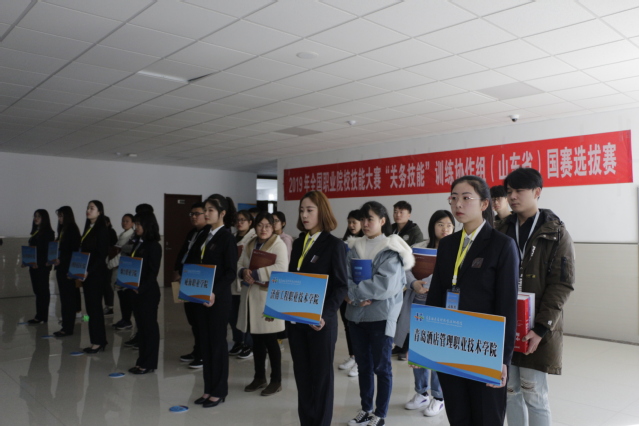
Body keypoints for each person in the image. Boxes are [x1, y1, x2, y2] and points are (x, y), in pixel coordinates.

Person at [426, 176, 519, 425]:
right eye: (454, 198)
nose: (458, 204)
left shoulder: (502, 245)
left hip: (484, 345)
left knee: (486, 415)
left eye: (466, 198)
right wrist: (423, 345)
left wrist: (503, 359)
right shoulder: (447, 244)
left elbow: (507, 305)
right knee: (458, 413)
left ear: (484, 204)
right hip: (450, 343)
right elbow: (436, 294)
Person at [497, 168, 575, 426]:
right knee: (510, 391)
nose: (512, 196)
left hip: (536, 326)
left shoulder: (556, 233)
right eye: (509, 191)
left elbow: (562, 284)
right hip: (506, 324)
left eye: (519, 190)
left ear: (537, 192)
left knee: (534, 393)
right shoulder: (501, 230)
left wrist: (541, 328)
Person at [345, 201, 414, 426]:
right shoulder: (353, 246)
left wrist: (354, 294)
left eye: (370, 219)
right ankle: (366, 409)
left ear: (382, 221)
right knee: (363, 365)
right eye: (363, 219)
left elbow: (385, 285)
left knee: (382, 367)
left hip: (381, 317)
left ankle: (380, 413)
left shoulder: (392, 248)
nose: (365, 223)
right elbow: (345, 276)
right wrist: (355, 296)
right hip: (356, 316)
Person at [287, 190, 347, 426]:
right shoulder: (298, 243)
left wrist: (324, 315)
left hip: (320, 323)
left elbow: (341, 286)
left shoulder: (334, 245)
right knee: (302, 378)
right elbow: (292, 280)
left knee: (321, 380)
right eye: (302, 210)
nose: (304, 215)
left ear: (322, 212)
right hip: (296, 323)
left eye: (309, 210)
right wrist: (279, 308)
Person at [396, 210, 455, 417]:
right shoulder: (419, 247)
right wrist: (413, 283)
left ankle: (439, 397)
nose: (445, 229)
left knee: (437, 351)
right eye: (440, 224)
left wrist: (428, 283)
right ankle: (421, 393)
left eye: (449, 225)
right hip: (418, 303)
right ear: (432, 226)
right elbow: (405, 268)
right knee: (418, 349)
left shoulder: (457, 249)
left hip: (442, 305)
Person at [237, 212, 289, 396]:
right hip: (251, 297)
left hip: (268, 298)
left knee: (271, 342)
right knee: (257, 341)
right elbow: (240, 263)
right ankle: (259, 377)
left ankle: (276, 380)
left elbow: (281, 268)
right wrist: (243, 272)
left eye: (268, 225)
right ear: (255, 226)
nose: (264, 229)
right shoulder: (250, 243)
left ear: (273, 227)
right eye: (260, 225)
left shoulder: (278, 244)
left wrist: (256, 273)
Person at [194, 194, 238, 408]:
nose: (206, 213)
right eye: (205, 210)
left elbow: (230, 272)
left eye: (210, 210)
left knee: (217, 344)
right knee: (205, 343)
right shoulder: (204, 234)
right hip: (201, 297)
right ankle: (208, 388)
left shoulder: (227, 238)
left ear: (222, 213)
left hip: (218, 299)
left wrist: (214, 292)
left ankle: (219, 390)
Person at [175, 202, 210, 369]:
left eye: (197, 213)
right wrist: (177, 270)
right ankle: (197, 350)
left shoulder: (209, 233)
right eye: (192, 214)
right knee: (192, 319)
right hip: (187, 278)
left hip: (199, 279)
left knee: (201, 320)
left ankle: (203, 354)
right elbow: (183, 252)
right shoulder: (192, 232)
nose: (194, 217)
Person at [128, 212, 162, 375]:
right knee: (141, 328)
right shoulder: (138, 243)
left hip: (147, 292)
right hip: (136, 292)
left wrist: (140, 288)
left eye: (139, 224)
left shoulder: (154, 246)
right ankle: (141, 361)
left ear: (148, 225)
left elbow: (152, 273)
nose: (136, 227)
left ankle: (149, 363)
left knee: (149, 328)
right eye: (135, 224)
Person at [79, 200, 110, 354]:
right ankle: (97, 340)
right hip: (87, 274)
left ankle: (98, 342)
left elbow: (101, 255)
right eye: (88, 208)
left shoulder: (101, 230)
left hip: (96, 274)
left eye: (92, 208)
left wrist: (89, 271)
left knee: (95, 308)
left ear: (99, 212)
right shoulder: (88, 228)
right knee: (91, 309)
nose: (88, 210)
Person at [339, 209, 365, 378]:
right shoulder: (343, 243)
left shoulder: (365, 243)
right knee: (348, 325)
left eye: (354, 222)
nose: (351, 225)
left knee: (359, 327)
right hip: (345, 290)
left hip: (360, 291)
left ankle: (361, 361)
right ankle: (353, 356)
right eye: (349, 222)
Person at [52, 206, 82, 337]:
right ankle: (65, 325)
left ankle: (68, 328)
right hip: (61, 267)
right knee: (64, 299)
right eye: (58, 216)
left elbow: (73, 251)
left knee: (68, 299)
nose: (59, 219)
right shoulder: (63, 230)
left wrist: (62, 260)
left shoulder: (72, 230)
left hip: (68, 269)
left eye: (61, 216)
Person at [230, 210, 255, 358]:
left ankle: (249, 344)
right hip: (231, 282)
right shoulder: (232, 237)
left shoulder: (253, 238)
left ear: (250, 222)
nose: (239, 223)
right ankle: (238, 341)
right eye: (237, 220)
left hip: (246, 281)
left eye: (243, 220)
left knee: (246, 315)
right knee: (233, 315)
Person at [24, 209, 55, 324]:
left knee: (43, 291)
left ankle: (42, 316)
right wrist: (27, 261)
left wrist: (40, 262)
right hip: (33, 266)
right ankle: (39, 315)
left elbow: (47, 251)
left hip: (42, 266)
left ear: (44, 218)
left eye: (39, 216)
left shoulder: (48, 233)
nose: (36, 218)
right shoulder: (35, 232)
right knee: (37, 291)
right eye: (35, 216)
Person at [110, 214, 136, 331]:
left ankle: (127, 320)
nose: (124, 223)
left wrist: (112, 262)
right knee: (121, 296)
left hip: (125, 269)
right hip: (117, 269)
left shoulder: (132, 236)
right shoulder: (121, 235)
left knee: (126, 297)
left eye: (127, 221)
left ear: (132, 223)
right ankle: (124, 318)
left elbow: (124, 253)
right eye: (123, 221)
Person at [102, 216, 118, 316]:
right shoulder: (100, 232)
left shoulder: (111, 232)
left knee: (107, 284)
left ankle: (110, 306)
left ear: (108, 223)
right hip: (101, 262)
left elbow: (114, 247)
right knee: (104, 284)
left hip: (108, 262)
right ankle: (107, 305)